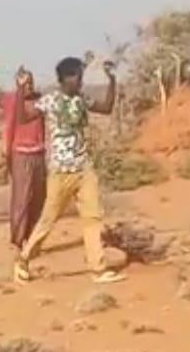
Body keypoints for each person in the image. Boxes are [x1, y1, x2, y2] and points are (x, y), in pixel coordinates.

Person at [14, 55, 125, 284]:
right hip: (61, 171)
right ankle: (23, 259)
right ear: (65, 78)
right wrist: (20, 90)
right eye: (77, 76)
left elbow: (106, 108)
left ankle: (98, 269)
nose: (80, 81)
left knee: (92, 218)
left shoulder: (81, 99)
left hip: (84, 168)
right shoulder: (50, 100)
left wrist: (112, 80)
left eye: (81, 76)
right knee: (48, 219)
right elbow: (23, 118)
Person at [0, 47, 47, 252]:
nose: (29, 86)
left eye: (30, 82)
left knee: (39, 199)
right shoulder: (9, 99)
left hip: (39, 154)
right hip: (20, 154)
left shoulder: (41, 101)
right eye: (25, 83)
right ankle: (18, 241)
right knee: (21, 199)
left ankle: (32, 239)